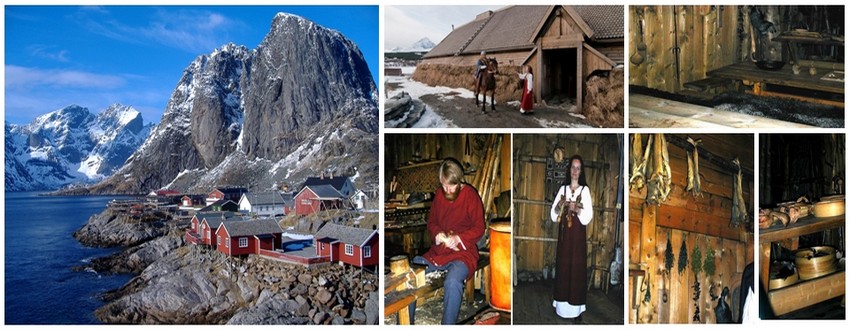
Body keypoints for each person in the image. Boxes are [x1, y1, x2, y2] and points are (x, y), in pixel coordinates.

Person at [411, 157, 485, 324]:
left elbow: (479, 228)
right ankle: (407, 322)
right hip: (440, 252)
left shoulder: (470, 195)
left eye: (451, 186)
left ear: (459, 182)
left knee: (452, 281)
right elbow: (432, 222)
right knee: (413, 270)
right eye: (444, 185)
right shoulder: (439, 194)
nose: (448, 190)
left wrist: (458, 238)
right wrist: (437, 234)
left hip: (463, 254)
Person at [549, 154, 593, 320]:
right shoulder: (563, 190)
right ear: (569, 170)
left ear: (581, 171)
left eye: (578, 168)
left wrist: (577, 210)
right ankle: (561, 307)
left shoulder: (585, 191)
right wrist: (560, 205)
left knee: (576, 270)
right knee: (563, 268)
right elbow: (553, 215)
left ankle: (576, 310)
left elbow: (588, 217)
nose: (575, 171)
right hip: (564, 238)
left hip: (577, 239)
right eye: (573, 167)